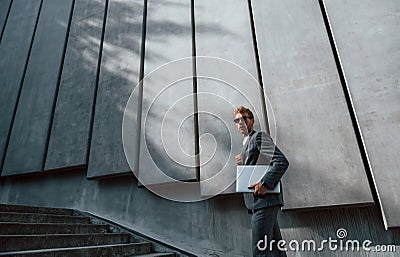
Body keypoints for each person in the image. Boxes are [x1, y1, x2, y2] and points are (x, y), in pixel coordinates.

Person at [234, 106, 289, 257]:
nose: (240, 122)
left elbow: (281, 161)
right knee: (276, 251)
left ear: (251, 120)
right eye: (237, 120)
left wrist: (265, 183)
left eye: (244, 118)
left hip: (263, 201)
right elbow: (258, 164)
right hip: (260, 203)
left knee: (260, 252)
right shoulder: (247, 143)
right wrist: (242, 161)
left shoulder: (258, 137)